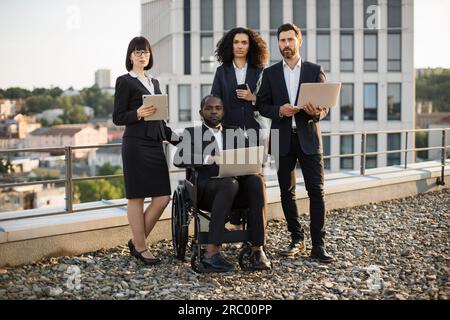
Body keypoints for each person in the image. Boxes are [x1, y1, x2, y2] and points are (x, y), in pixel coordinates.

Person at [257, 23, 334, 263]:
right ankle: (296, 239)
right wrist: (279, 110)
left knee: (317, 191)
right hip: (281, 138)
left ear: (298, 41)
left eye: (290, 40)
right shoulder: (269, 74)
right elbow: (261, 105)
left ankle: (318, 245)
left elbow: (325, 107)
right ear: (278, 44)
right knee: (286, 191)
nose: (286, 45)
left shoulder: (314, 70)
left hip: (309, 137)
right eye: (282, 41)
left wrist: (315, 111)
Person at [174, 95, 271, 272]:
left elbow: (250, 155)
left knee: (256, 181)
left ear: (223, 111)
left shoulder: (235, 132)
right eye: (209, 108)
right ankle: (211, 253)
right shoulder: (192, 133)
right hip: (205, 191)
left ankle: (258, 250)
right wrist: (208, 158)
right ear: (201, 112)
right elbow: (178, 158)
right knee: (228, 183)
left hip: (235, 188)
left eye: (218, 108)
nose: (214, 111)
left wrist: (254, 164)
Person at [113, 36, 178, 266]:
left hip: (155, 145)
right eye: (138, 52)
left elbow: (160, 121)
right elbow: (118, 118)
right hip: (135, 145)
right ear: (130, 55)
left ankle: (135, 241)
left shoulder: (155, 83)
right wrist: (138, 113)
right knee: (136, 197)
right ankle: (141, 247)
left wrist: (178, 139)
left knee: (162, 197)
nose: (143, 56)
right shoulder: (124, 81)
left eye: (146, 52)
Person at [211, 27, 269, 230]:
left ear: (250, 46)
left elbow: (269, 102)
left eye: (244, 42)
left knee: (255, 179)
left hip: (256, 133)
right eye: (236, 42)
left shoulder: (261, 71)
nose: (240, 46)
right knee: (233, 176)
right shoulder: (222, 72)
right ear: (230, 45)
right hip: (229, 133)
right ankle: (235, 225)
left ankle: (257, 229)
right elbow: (214, 102)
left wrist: (253, 98)